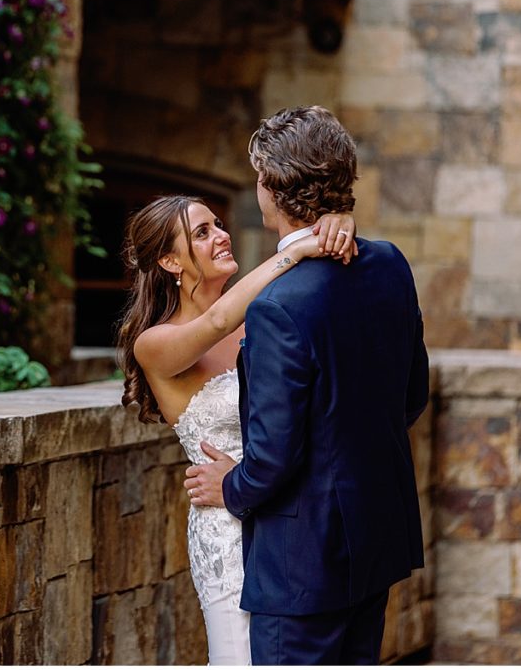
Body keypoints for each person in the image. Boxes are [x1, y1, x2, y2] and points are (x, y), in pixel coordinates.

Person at [184, 105, 428, 665]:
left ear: (271, 186)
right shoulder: (391, 265)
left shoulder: (277, 308)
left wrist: (231, 488)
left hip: (300, 566)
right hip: (373, 540)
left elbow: (272, 457)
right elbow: (411, 397)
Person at [116, 190, 358, 664]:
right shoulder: (156, 344)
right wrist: (296, 247)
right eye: (202, 233)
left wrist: (336, 221)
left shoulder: (262, 314)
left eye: (217, 224)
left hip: (290, 512)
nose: (222, 236)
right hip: (226, 530)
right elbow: (219, 319)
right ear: (169, 261)